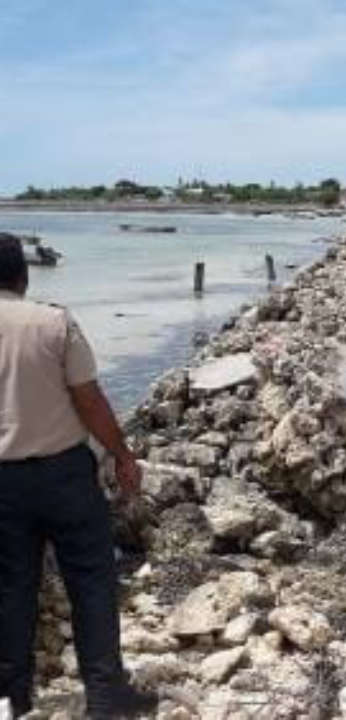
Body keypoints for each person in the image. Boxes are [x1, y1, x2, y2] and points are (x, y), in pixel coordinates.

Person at [0, 234, 158, 718]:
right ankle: (106, 696)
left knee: (10, 588)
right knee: (91, 581)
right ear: (24, 275)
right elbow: (89, 399)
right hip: (64, 474)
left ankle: (11, 699)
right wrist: (122, 455)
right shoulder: (54, 322)